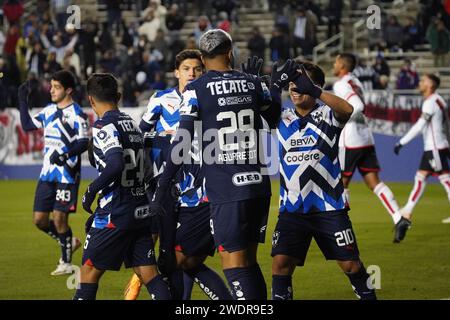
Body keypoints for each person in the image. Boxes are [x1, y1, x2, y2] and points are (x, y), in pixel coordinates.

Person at [150, 29, 300, 300]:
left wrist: (161, 189)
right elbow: (274, 118)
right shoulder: (254, 82)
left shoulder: (196, 89)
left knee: (234, 266)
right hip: (258, 184)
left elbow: (181, 143)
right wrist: (273, 88)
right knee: (249, 262)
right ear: (230, 53)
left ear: (203, 58)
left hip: (226, 189)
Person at [124, 49, 231, 300]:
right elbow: (139, 138)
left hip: (201, 189)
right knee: (173, 256)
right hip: (168, 190)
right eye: (186, 69)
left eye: (197, 69)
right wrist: (165, 140)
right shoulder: (161, 99)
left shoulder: (210, 99)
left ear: (204, 71)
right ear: (176, 72)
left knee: (183, 258)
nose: (192, 73)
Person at [270, 61, 377, 300]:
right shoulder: (282, 116)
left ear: (315, 85)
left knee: (351, 265)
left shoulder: (328, 115)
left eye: (301, 84)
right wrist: (272, 88)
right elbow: (260, 111)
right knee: (280, 265)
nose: (295, 89)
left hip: (329, 207)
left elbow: (348, 110)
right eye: (291, 85)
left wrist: (315, 91)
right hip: (292, 209)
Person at [73, 73, 172, 300]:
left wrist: (91, 190)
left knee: (87, 272)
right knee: (148, 273)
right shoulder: (131, 124)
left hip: (116, 212)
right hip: (140, 209)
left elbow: (116, 163)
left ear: (90, 100)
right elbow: (146, 170)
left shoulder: (102, 126)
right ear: (118, 96)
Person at [18, 70, 87, 275]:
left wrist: (65, 156)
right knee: (39, 220)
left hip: (67, 174)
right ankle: (69, 242)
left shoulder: (77, 114)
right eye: (51, 86)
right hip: (47, 174)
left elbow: (84, 142)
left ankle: (65, 263)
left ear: (68, 90)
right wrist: (22, 101)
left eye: (56, 87)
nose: (51, 90)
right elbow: (28, 125)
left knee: (59, 218)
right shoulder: (48, 111)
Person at [333, 53, 405, 242]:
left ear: (342, 65)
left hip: (350, 139)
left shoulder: (341, 84)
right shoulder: (356, 81)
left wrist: (340, 117)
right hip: (365, 136)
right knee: (374, 182)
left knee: (341, 184)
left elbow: (357, 105)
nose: (334, 64)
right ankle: (398, 217)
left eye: (336, 61)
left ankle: (342, 228)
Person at [394, 74, 450, 233]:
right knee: (421, 177)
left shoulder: (431, 102)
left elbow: (420, 125)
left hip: (435, 147)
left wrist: (402, 142)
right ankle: (408, 210)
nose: (420, 83)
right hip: (437, 146)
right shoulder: (439, 100)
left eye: (423, 81)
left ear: (431, 84)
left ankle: (408, 210)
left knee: (445, 180)